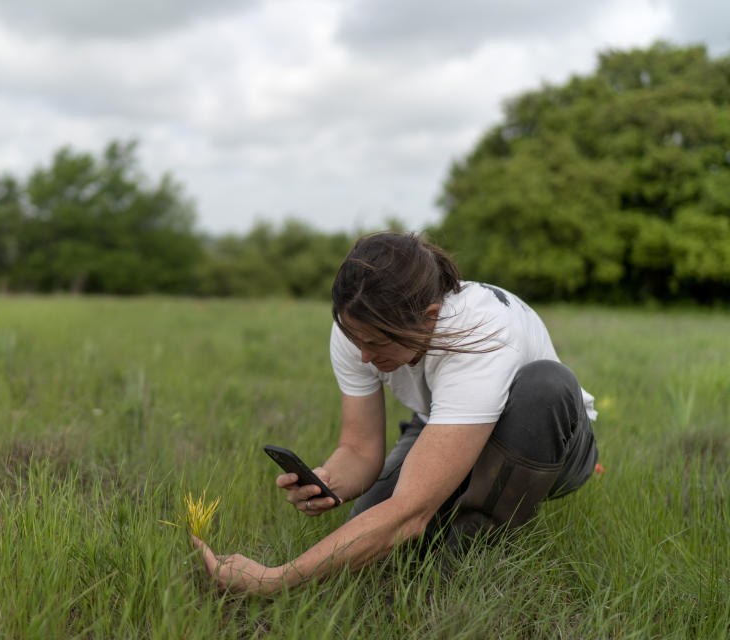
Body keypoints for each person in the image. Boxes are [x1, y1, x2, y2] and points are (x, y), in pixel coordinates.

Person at [194, 232, 599, 594]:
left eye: (377, 344)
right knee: (371, 528)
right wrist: (330, 479)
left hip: (552, 439)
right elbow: (359, 449)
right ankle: (452, 510)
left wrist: (275, 579)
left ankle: (468, 563)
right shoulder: (357, 326)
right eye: (356, 341)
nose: (365, 356)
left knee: (546, 385)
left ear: (430, 318)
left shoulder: (483, 333)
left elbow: (408, 514)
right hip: (444, 420)